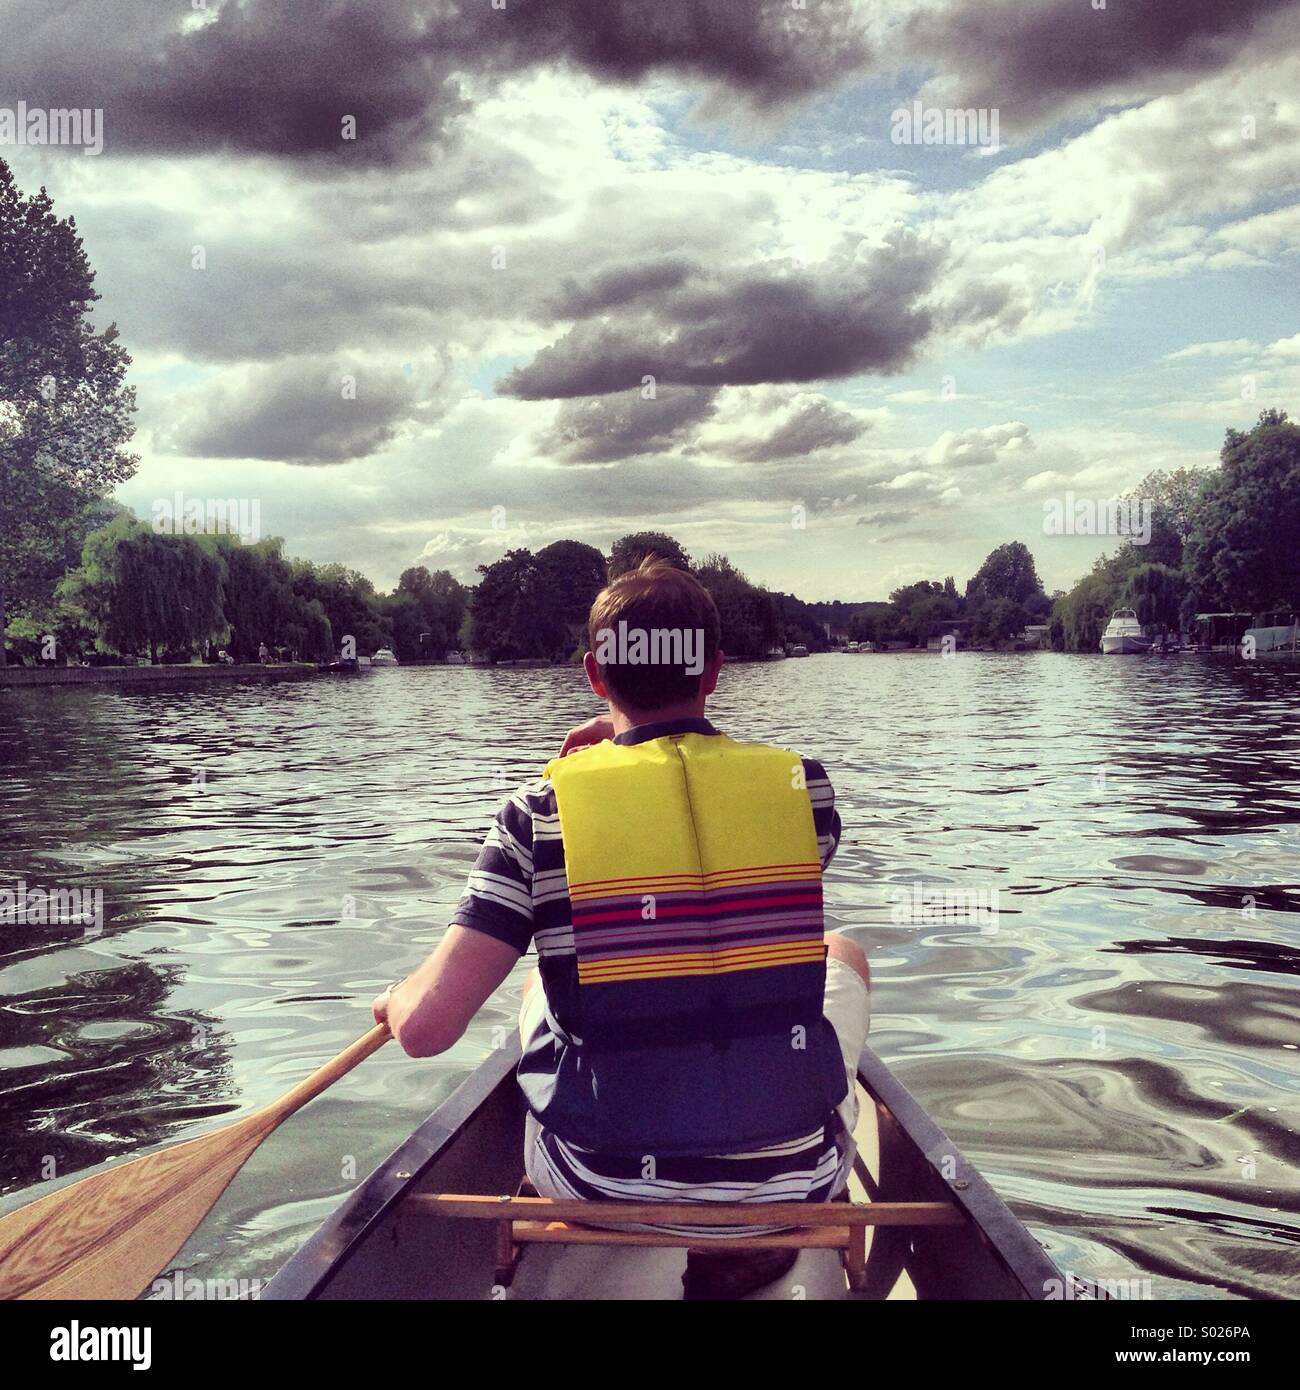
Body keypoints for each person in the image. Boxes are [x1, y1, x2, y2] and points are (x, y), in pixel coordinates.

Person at [373, 556, 870, 1298]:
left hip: (600, 1181)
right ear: (715, 673)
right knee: (843, 951)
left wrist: (396, 999)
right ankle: (752, 1224)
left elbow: (427, 1030)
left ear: (595, 676)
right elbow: (708, 865)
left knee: (545, 976)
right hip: (792, 1175)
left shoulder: (536, 814)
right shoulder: (808, 792)